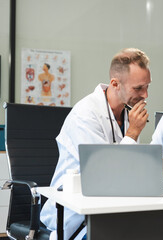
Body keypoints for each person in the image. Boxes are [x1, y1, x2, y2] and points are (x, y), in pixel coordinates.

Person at [40, 48, 154, 239]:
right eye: (138, 88)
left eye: (147, 86)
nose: (145, 95)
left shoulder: (127, 113)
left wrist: (156, 167)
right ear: (115, 83)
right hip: (75, 212)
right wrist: (133, 133)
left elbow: (129, 168)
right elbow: (104, 175)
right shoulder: (85, 114)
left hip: (112, 206)